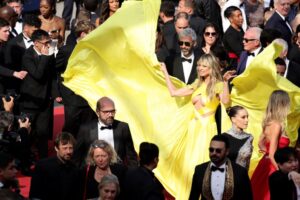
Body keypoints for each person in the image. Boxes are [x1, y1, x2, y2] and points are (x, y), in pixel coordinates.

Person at [161, 53, 235, 197]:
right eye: (199, 65)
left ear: (211, 68)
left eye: (204, 66)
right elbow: (174, 93)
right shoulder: (197, 83)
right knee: (188, 165)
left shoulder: (219, 85)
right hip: (192, 128)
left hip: (207, 129)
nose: (200, 68)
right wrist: (165, 72)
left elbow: (226, 102)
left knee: (202, 162)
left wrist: (225, 82)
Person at [20, 29, 58, 158]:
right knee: (28, 135)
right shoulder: (27, 56)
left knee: (43, 134)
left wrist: (56, 93)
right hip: (31, 101)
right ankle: (25, 161)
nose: (48, 45)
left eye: (49, 42)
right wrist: (45, 57)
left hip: (46, 101)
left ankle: (44, 161)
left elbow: (52, 75)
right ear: (36, 43)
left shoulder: (48, 54)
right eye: (45, 42)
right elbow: (38, 74)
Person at [56, 20, 97, 137]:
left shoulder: (94, 49)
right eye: (91, 33)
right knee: (71, 126)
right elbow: (57, 70)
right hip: (72, 96)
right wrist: (57, 92)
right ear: (82, 34)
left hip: (89, 94)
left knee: (89, 128)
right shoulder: (66, 50)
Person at [74, 96, 138, 168]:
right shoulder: (85, 129)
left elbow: (131, 155)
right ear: (98, 112)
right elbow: (77, 155)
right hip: (93, 172)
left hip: (117, 172)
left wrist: (133, 174)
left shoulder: (123, 127)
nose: (110, 115)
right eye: (106, 112)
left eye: (112, 111)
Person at [251, 90, 291, 200]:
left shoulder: (269, 122)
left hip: (265, 164)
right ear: (282, 104)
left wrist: (267, 153)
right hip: (273, 167)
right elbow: (273, 154)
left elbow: (260, 143)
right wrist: (282, 171)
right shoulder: (277, 125)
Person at [189, 135, 253, 200]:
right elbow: (193, 197)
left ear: (227, 151)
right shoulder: (199, 170)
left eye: (218, 151)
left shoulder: (240, 172)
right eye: (211, 150)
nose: (214, 153)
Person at [29, 132, 83, 200]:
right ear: (56, 148)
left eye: (71, 148)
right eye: (65, 148)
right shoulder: (42, 165)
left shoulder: (76, 170)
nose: (68, 151)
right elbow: (35, 195)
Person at [4, 14, 41, 94]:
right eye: (33, 31)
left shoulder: (42, 40)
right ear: (26, 28)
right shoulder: (12, 44)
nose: (36, 34)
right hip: (21, 88)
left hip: (41, 87)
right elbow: (10, 67)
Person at [222, 106, 253, 170]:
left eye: (247, 117)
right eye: (243, 117)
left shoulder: (249, 137)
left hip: (243, 177)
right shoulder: (223, 137)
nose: (247, 120)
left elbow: (247, 162)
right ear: (233, 119)